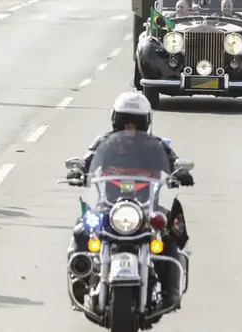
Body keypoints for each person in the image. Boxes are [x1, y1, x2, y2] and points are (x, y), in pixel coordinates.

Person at [65, 92, 193, 308]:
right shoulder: (103, 142)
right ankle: (81, 278)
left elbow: (173, 161)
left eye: (135, 122)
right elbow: (87, 161)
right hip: (108, 206)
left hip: (146, 207)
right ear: (116, 120)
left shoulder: (156, 145)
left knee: (170, 233)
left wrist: (180, 172)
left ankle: (170, 291)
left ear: (145, 123)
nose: (130, 127)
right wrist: (78, 171)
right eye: (125, 121)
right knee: (82, 229)